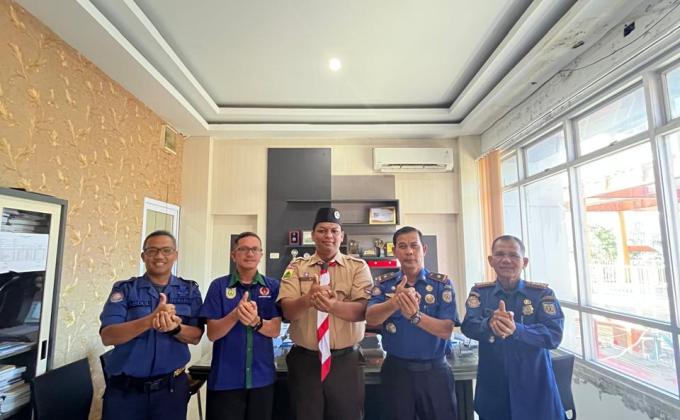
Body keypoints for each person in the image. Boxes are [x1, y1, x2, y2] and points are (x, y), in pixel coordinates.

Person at [277, 207, 373, 420]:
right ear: (313, 235)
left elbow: (362, 311)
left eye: (334, 231)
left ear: (342, 236)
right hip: (306, 362)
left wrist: (331, 306)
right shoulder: (296, 267)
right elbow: (288, 312)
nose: (328, 236)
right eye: (322, 230)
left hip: (345, 362)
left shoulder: (358, 267)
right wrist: (308, 299)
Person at [99, 230, 203, 420]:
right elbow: (108, 336)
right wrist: (149, 321)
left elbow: (196, 337)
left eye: (166, 250)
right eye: (152, 251)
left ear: (175, 255)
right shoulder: (125, 290)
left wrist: (175, 329)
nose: (159, 256)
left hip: (170, 391)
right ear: (143, 256)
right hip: (125, 392)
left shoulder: (189, 290)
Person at [461, 235, 564, 420]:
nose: (506, 260)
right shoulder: (480, 293)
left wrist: (517, 329)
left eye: (514, 255)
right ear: (491, 261)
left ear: (524, 262)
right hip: (494, 390)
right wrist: (489, 324)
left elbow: (554, 335)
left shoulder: (541, 294)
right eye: (500, 254)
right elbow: (468, 325)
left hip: (535, 390)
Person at [366, 226, 459, 420]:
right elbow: (371, 318)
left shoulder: (441, 285)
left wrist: (415, 316)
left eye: (414, 246)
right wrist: (394, 302)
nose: (409, 251)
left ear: (423, 249)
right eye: (402, 246)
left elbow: (446, 330)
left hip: (435, 372)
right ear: (394, 251)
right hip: (397, 372)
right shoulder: (384, 284)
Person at [199, 232, 282, 420]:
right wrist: (235, 315)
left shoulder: (273, 287)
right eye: (243, 249)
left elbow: (275, 330)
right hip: (225, 380)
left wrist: (255, 321)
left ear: (261, 254)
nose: (249, 253)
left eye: (254, 249)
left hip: (261, 379)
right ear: (233, 255)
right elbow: (212, 334)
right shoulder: (218, 286)